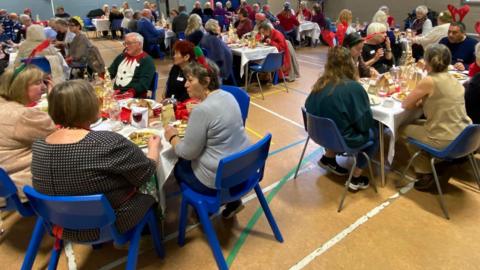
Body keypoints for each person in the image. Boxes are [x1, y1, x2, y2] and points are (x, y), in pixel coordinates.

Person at [31, 80, 160, 242]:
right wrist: (154, 149)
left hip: (61, 225)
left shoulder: (39, 145)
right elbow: (145, 173)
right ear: (90, 106)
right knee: (150, 188)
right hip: (108, 224)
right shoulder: (107, 143)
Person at [164, 60, 250, 219]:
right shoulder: (228, 96)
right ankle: (233, 202)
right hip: (243, 170)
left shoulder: (202, 111)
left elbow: (186, 153)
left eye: (190, 80)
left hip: (218, 180)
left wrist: (172, 136)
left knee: (179, 166)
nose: (186, 85)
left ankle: (205, 209)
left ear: (206, 81)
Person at [400, 44, 472, 190]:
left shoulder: (429, 80)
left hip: (445, 138)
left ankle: (425, 172)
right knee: (417, 122)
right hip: (465, 135)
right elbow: (439, 99)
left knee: (402, 129)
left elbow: (406, 105)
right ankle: (436, 160)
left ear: (427, 61)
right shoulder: (453, 78)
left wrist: (419, 102)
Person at [305, 46, 377, 190]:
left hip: (317, 135)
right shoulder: (353, 88)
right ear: (350, 63)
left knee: (339, 120)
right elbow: (364, 125)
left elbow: (308, 106)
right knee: (375, 133)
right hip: (341, 140)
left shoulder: (320, 83)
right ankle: (355, 179)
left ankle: (328, 157)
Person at [0, 66, 55, 204]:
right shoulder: (22, 115)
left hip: (5, 184)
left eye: (43, 82)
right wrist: (54, 98)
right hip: (22, 185)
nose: (43, 87)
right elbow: (57, 133)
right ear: (19, 86)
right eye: (37, 83)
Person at [108, 33, 155, 98]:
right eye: (125, 43)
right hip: (116, 96)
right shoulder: (121, 57)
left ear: (139, 44)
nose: (126, 46)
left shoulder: (147, 61)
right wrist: (102, 78)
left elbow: (143, 84)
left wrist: (129, 93)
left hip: (135, 98)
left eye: (129, 43)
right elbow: (110, 72)